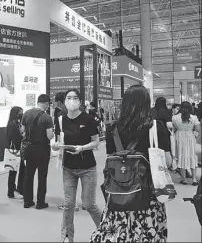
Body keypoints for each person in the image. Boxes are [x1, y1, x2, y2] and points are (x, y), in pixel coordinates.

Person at [90, 85, 171, 242]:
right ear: (147, 103)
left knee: (119, 234)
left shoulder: (112, 128)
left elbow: (111, 160)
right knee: (148, 233)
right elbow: (167, 161)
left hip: (119, 195)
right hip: (148, 196)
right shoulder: (155, 127)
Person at [52, 89, 101, 243]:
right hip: (68, 167)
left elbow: (96, 141)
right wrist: (54, 145)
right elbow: (59, 141)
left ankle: (106, 230)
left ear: (80, 101)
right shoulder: (60, 120)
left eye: (75, 98)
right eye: (68, 97)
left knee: (89, 204)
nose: (71, 100)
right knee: (68, 204)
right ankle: (66, 237)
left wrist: (83, 147)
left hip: (87, 167)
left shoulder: (88, 119)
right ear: (64, 101)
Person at [21, 94, 54, 209]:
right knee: (42, 176)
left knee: (28, 175)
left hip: (29, 148)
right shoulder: (47, 117)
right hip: (43, 149)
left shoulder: (26, 113)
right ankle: (40, 203)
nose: (48, 106)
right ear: (45, 104)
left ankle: (27, 201)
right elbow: (49, 136)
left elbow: (23, 131)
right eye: (48, 104)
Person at [173, 101, 200, 185]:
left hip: (180, 137)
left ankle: (183, 179)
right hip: (190, 137)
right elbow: (197, 129)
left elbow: (173, 129)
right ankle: (194, 179)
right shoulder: (194, 117)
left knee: (181, 156)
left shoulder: (175, 117)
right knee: (192, 156)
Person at [6, 106, 25, 198]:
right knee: (13, 171)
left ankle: (16, 188)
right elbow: (15, 138)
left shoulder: (16, 123)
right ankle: (11, 190)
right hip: (15, 150)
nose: (21, 114)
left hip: (18, 149)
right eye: (20, 113)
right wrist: (22, 135)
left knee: (16, 170)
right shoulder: (12, 124)